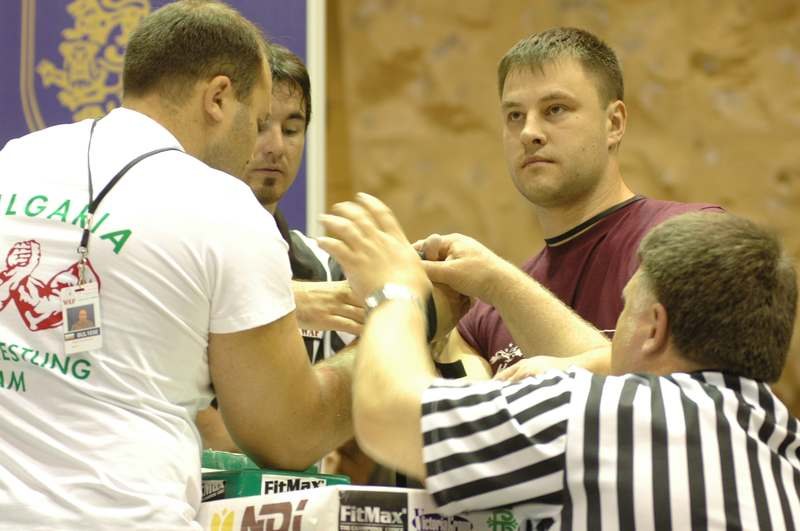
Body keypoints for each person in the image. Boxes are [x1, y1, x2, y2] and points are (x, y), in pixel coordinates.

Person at [0, 2, 353, 529]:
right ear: (217, 99)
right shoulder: (225, 208)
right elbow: (290, 435)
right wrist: (402, 321)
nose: (262, 144)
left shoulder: (15, 161)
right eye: (257, 122)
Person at [318, 193, 800, 529]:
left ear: (654, 326)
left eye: (627, 306)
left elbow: (389, 417)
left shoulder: (600, 414)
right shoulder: (780, 438)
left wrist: (395, 289)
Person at [432, 27, 723, 378]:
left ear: (614, 123)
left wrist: (498, 284)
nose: (528, 132)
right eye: (514, 115)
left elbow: (677, 384)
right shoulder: (483, 316)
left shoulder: (696, 236)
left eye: (555, 109)